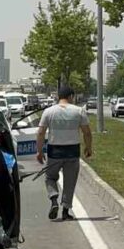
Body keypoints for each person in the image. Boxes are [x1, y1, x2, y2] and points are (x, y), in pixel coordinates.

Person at [36, 85, 93, 222]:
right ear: (71, 96)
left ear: (58, 97)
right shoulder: (79, 111)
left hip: (54, 151)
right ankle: (66, 211)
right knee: (70, 182)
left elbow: (41, 132)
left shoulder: (49, 112)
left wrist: (39, 151)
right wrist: (88, 147)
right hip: (72, 151)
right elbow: (87, 132)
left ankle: (54, 198)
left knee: (50, 177)